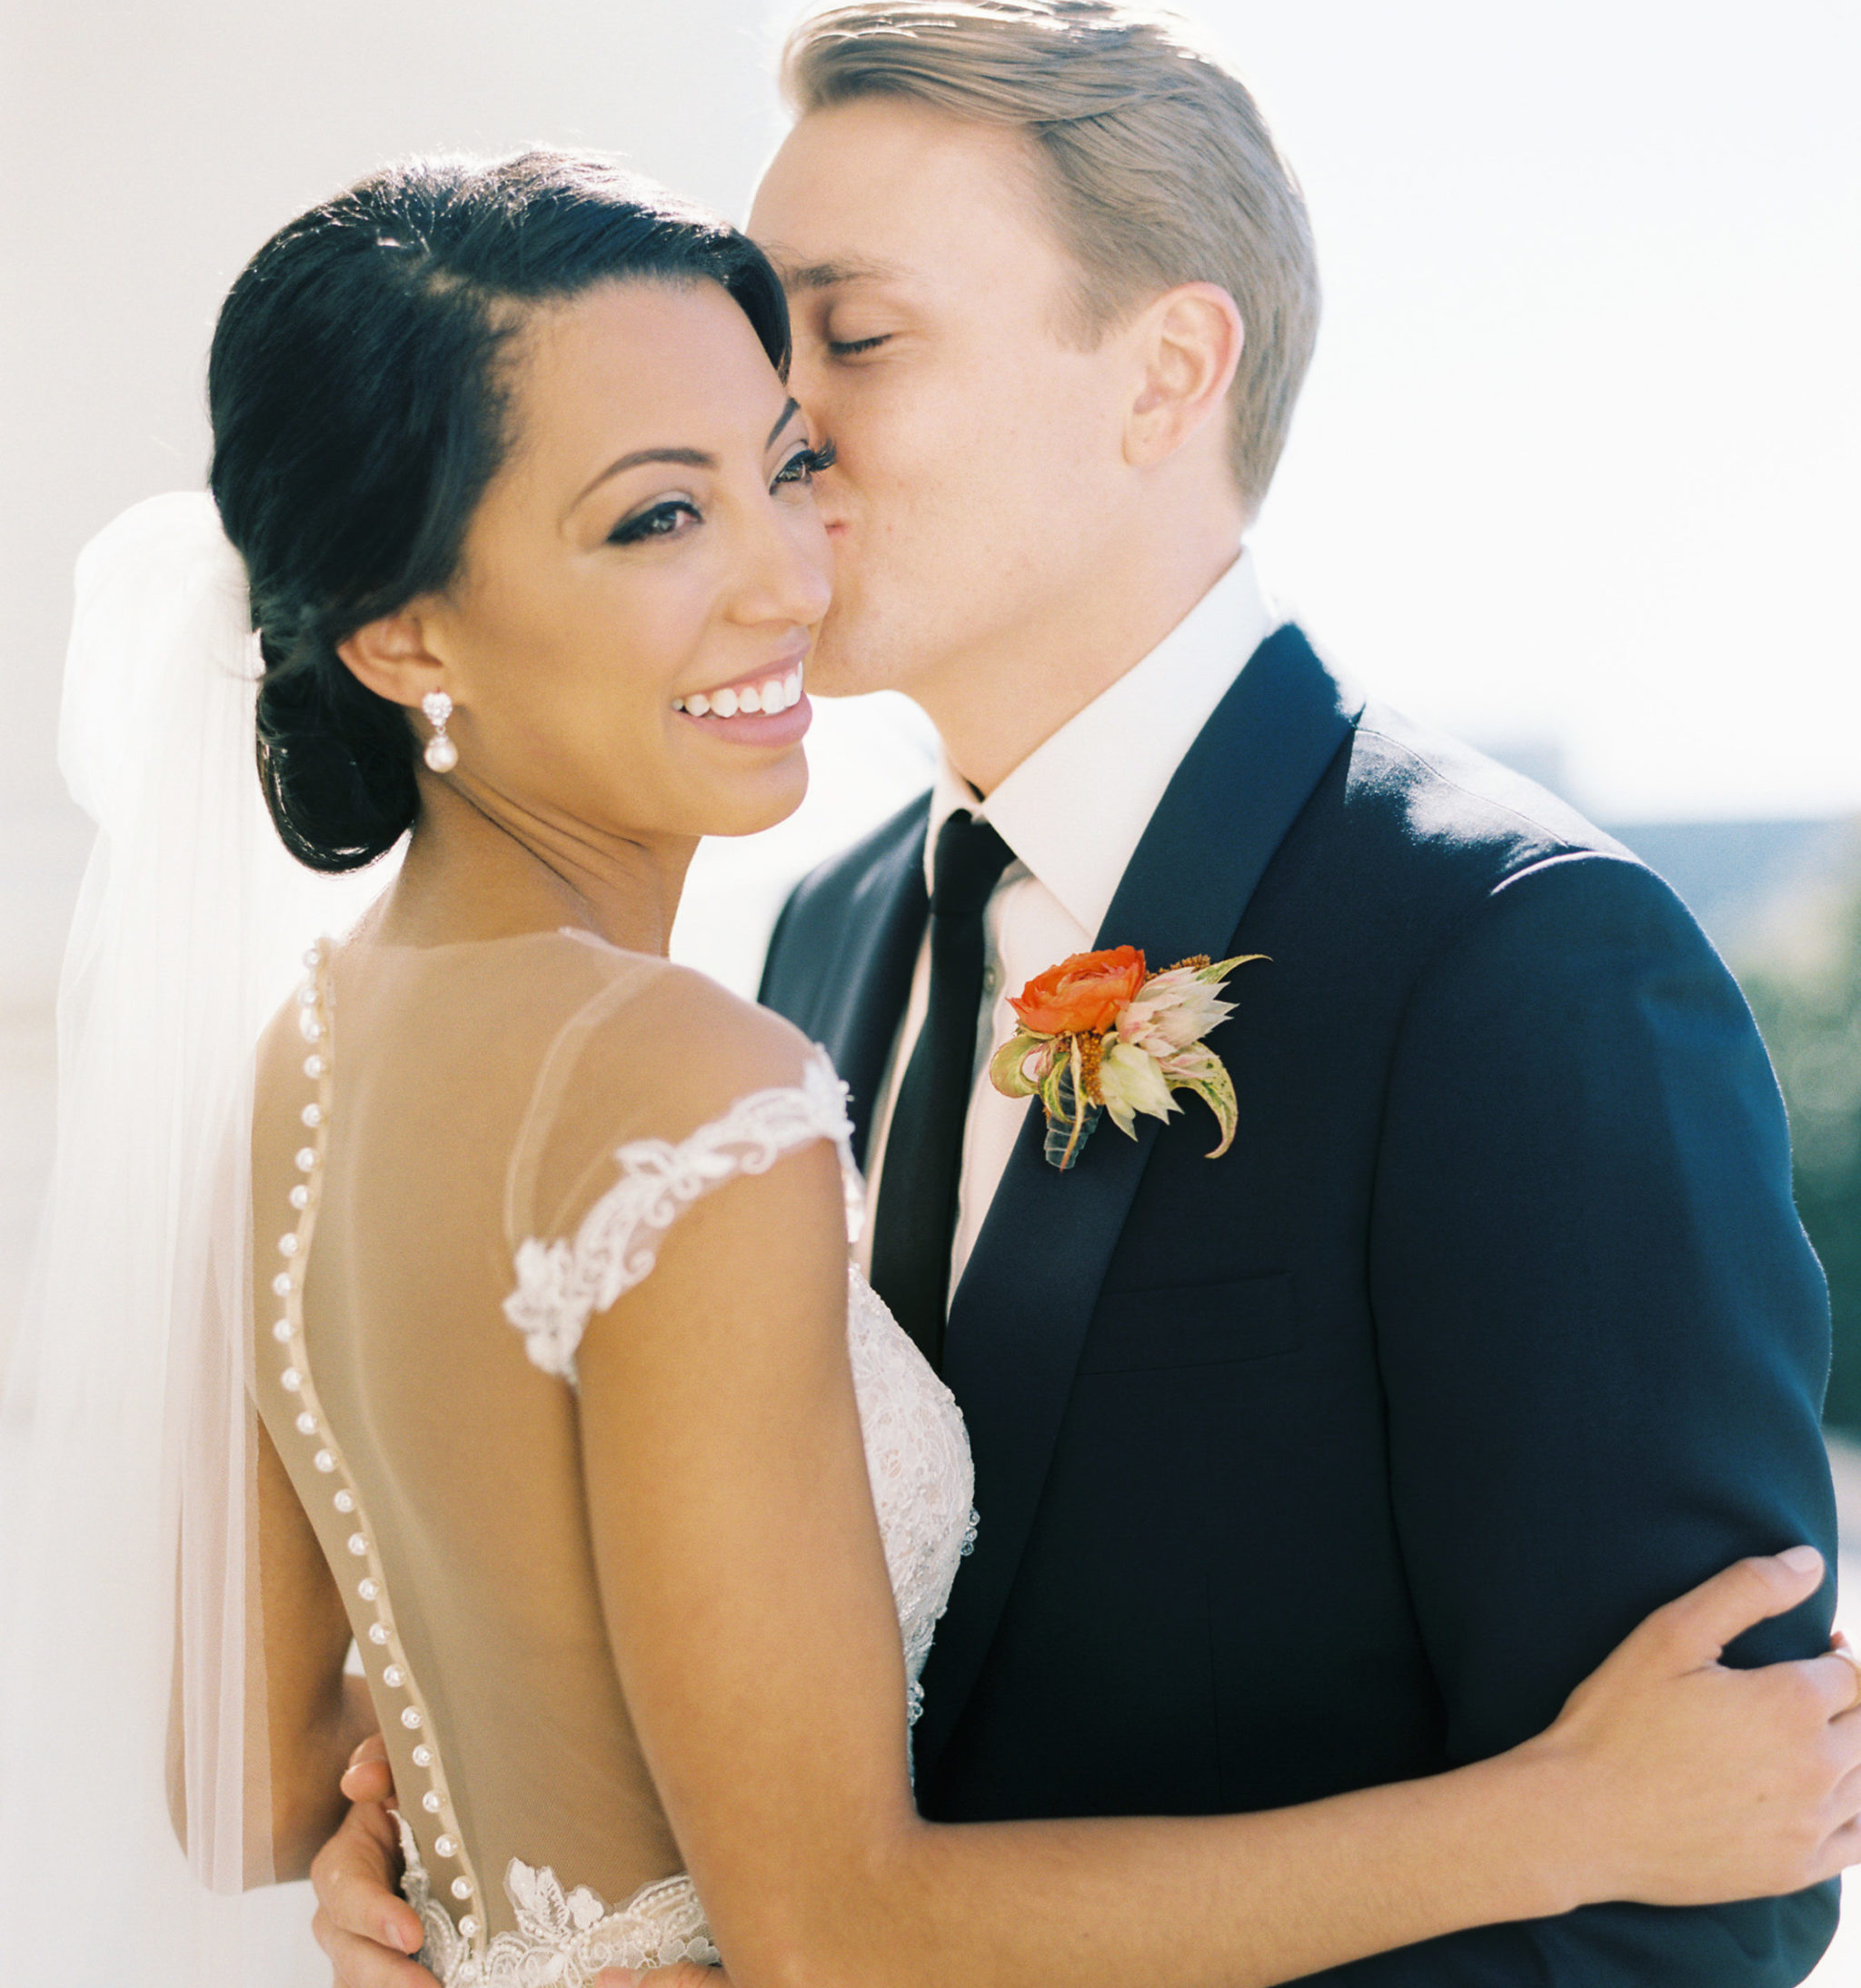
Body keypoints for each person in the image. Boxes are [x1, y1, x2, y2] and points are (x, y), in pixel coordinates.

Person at [16, 146, 1855, 1988]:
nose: (786, 571)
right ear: (403, 629)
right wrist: (1577, 1811)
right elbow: (842, 1928)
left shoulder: (310, 1055)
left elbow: (244, 1779)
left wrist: (485, 1858)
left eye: (782, 464)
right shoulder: (684, 1071)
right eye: (660, 517)